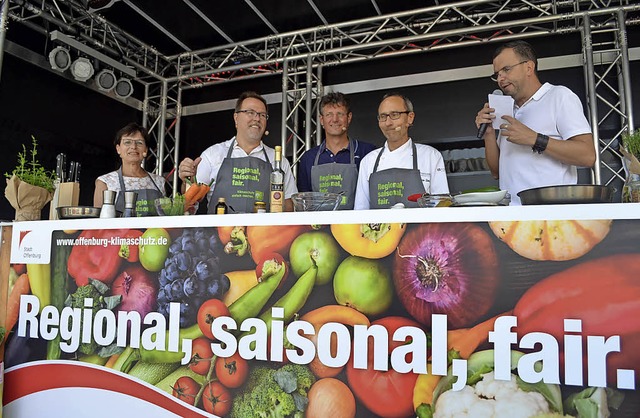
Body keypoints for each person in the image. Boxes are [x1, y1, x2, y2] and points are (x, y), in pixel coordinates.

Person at [475, 40, 596, 205]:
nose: (500, 78)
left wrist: (535, 139)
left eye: (506, 69)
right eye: (497, 74)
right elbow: (497, 173)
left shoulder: (559, 96)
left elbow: (587, 156)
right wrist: (488, 134)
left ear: (529, 67)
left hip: (552, 216)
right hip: (513, 219)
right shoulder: (508, 109)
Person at [178, 91, 297, 212]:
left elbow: (288, 206)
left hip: (261, 231)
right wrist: (188, 181)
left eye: (262, 115)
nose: (257, 118)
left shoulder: (279, 162)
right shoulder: (213, 155)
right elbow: (191, 202)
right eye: (250, 112)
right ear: (236, 118)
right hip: (219, 230)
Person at [354, 92, 449, 209]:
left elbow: (442, 207)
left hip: (422, 227)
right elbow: (361, 212)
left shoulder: (431, 156)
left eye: (394, 114)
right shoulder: (368, 162)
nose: (388, 123)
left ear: (410, 118)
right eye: (383, 117)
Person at [297, 92, 376, 209]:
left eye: (340, 114)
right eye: (329, 114)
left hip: (355, 226)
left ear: (349, 118)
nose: (335, 119)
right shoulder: (308, 158)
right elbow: (304, 204)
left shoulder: (368, 153)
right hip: (319, 226)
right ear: (321, 120)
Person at [94, 122, 166, 216]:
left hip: (154, 231)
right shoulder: (105, 182)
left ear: (145, 150)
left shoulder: (159, 181)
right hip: (119, 231)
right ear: (118, 149)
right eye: (127, 142)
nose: (133, 147)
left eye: (139, 143)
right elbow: (98, 224)